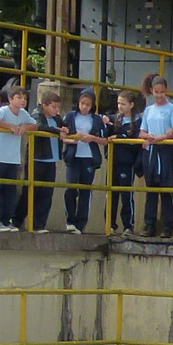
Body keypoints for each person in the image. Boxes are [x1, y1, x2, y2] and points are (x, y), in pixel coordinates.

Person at [0, 84, 35, 231]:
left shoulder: (23, 114)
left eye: (24, 98)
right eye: (19, 97)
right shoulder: (4, 111)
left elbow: (34, 124)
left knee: (9, 191)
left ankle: (6, 220)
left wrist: (24, 127)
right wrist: (10, 126)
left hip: (12, 158)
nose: (22, 100)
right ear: (10, 99)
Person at [139, 74, 173, 238]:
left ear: (166, 91)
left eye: (162, 92)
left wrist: (160, 138)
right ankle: (149, 225)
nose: (159, 95)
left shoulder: (171, 109)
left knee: (166, 190)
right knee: (151, 190)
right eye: (156, 92)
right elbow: (141, 131)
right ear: (152, 91)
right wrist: (148, 136)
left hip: (165, 151)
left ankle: (167, 226)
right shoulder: (149, 110)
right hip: (151, 151)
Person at [60, 86, 107, 234]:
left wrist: (92, 138)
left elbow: (105, 140)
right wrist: (73, 139)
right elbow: (62, 135)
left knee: (85, 191)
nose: (84, 107)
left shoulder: (97, 119)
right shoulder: (70, 116)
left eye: (88, 104)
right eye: (82, 103)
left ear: (92, 105)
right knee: (70, 189)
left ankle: (81, 224)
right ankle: (70, 221)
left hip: (89, 158)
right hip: (73, 157)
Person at [27, 86, 64, 232]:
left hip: (51, 160)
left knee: (46, 194)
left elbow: (66, 127)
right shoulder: (37, 114)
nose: (56, 110)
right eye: (53, 107)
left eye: (58, 107)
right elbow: (39, 127)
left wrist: (66, 130)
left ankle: (39, 224)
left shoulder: (57, 118)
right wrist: (58, 131)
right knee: (30, 192)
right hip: (37, 159)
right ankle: (18, 219)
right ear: (44, 105)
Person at [107, 89, 144, 235]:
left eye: (123, 104)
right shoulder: (115, 119)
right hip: (113, 160)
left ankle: (128, 224)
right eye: (118, 103)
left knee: (125, 194)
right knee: (111, 193)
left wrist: (120, 136)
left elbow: (135, 141)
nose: (120, 107)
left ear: (131, 105)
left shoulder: (137, 122)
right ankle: (110, 223)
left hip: (127, 162)